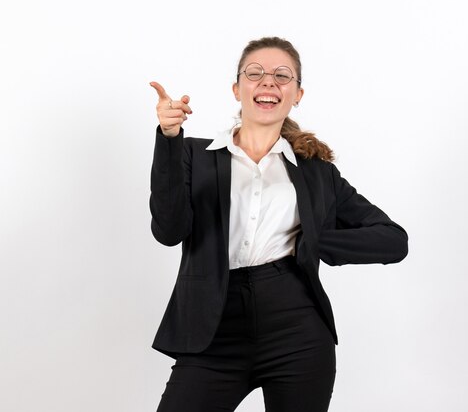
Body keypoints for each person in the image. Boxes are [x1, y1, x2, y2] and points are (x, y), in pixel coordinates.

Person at [148, 36, 408, 412]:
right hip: (212, 331)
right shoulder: (194, 156)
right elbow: (168, 231)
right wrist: (170, 140)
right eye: (255, 73)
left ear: (297, 94)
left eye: (282, 76)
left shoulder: (317, 173)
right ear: (237, 89)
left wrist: (313, 243)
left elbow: (392, 241)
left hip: (297, 330)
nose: (268, 82)